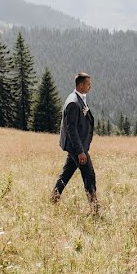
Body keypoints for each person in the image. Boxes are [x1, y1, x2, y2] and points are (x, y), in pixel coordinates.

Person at [51, 72, 99, 214]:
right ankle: (94, 208)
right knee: (89, 175)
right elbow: (71, 129)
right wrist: (80, 152)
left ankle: (54, 197)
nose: (90, 87)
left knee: (66, 173)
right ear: (81, 85)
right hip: (77, 148)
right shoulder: (73, 102)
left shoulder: (79, 98)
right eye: (88, 84)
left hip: (77, 147)